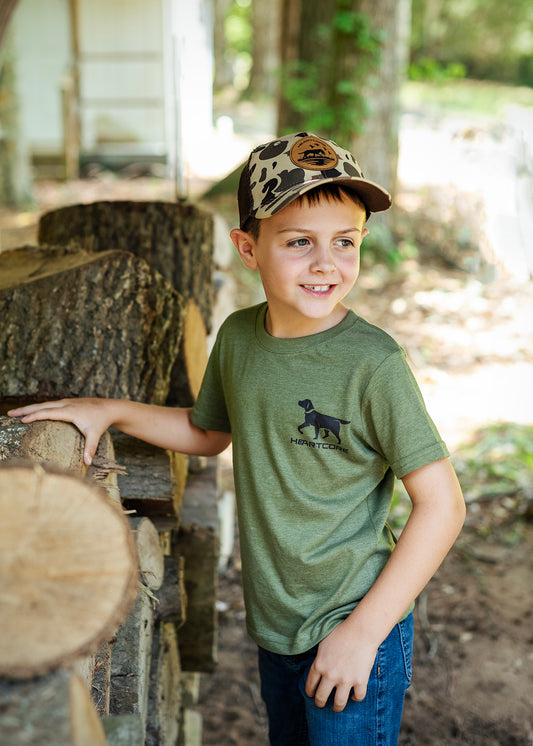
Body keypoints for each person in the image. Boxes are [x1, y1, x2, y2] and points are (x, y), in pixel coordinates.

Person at [9, 132, 465, 746]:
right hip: (277, 624)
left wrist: (363, 634)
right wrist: (110, 409)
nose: (327, 263)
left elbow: (443, 505)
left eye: (346, 242)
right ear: (248, 248)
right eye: (300, 242)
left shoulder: (373, 366)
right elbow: (208, 433)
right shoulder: (240, 338)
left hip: (358, 625)